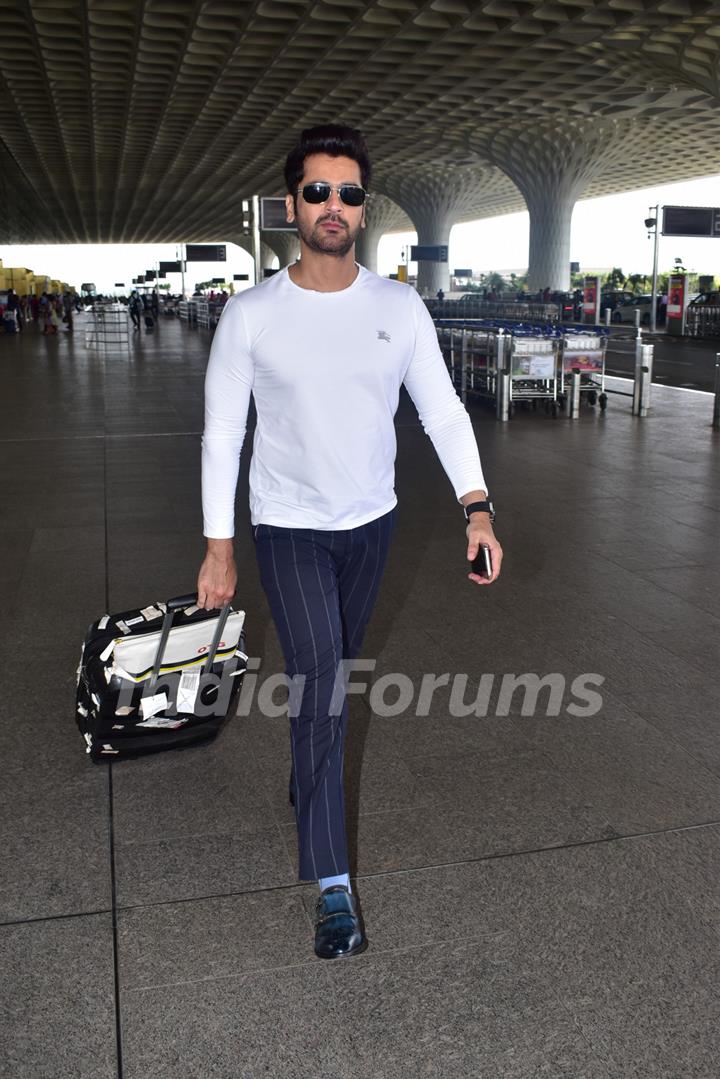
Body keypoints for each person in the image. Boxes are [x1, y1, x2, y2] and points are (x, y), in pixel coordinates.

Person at [197, 124, 502, 961]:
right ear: (291, 202)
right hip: (288, 528)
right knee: (324, 686)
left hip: (372, 525)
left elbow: (441, 410)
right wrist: (220, 547)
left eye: (350, 193)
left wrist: (477, 505)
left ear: (364, 209)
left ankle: (310, 773)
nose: (334, 206)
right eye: (318, 191)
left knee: (337, 670)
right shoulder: (253, 313)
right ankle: (332, 886)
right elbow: (223, 433)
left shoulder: (398, 308)